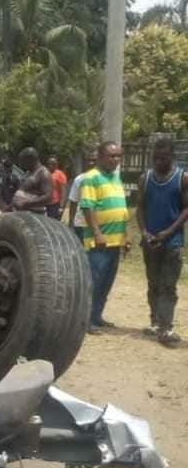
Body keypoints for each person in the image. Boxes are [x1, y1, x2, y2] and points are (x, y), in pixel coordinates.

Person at [136, 137, 188, 347]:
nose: (159, 162)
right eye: (156, 158)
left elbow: (186, 209)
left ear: (172, 157)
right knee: (153, 283)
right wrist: (144, 232)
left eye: (163, 158)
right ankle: (155, 321)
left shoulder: (182, 178)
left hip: (172, 242)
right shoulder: (145, 178)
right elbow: (140, 207)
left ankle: (166, 327)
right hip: (150, 241)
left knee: (168, 285)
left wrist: (167, 232)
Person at [80, 140, 131, 333]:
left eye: (118, 156)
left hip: (115, 240)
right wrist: (97, 233)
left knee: (107, 282)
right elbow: (88, 206)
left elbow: (122, 210)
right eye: (112, 156)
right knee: (95, 281)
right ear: (101, 157)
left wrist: (125, 236)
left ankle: (97, 316)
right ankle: (87, 320)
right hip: (99, 241)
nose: (116, 159)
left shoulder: (116, 178)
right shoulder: (92, 177)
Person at [67, 149, 98, 242]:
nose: (91, 163)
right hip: (81, 223)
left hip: (100, 223)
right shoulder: (79, 179)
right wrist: (71, 223)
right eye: (88, 160)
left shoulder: (105, 179)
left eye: (94, 160)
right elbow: (73, 202)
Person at [12, 147, 53, 212]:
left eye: (23, 161)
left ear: (29, 160)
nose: (21, 164)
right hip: (21, 212)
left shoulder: (43, 173)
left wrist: (25, 203)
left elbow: (48, 197)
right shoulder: (29, 172)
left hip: (34, 215)